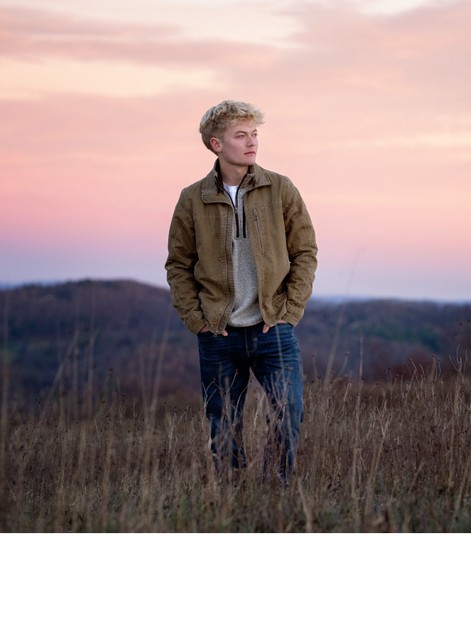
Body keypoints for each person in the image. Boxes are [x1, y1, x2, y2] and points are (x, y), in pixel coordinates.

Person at [165, 100, 318, 484]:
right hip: (219, 334)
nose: (252, 143)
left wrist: (289, 311)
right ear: (217, 144)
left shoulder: (279, 188)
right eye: (241, 135)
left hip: (273, 329)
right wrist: (197, 321)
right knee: (223, 426)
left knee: (290, 411)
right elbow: (178, 265)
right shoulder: (192, 198)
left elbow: (305, 251)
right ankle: (233, 505)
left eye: (254, 134)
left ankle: (275, 494)